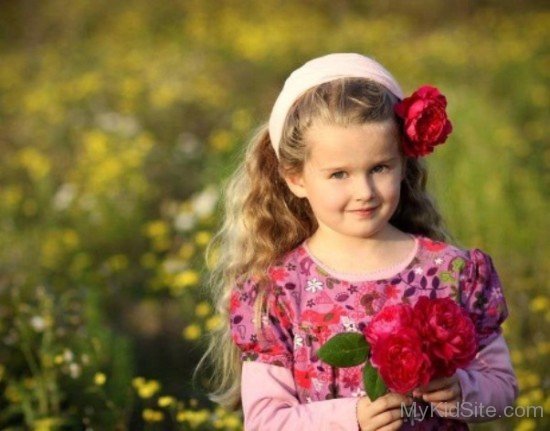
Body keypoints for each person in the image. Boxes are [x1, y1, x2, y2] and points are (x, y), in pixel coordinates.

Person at [199, 53, 518, 430]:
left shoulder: (451, 272)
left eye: (379, 168)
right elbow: (266, 421)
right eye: (339, 174)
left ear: (403, 163)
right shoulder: (281, 291)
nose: (363, 191)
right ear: (296, 178)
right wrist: (351, 418)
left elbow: (503, 389)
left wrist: (466, 392)